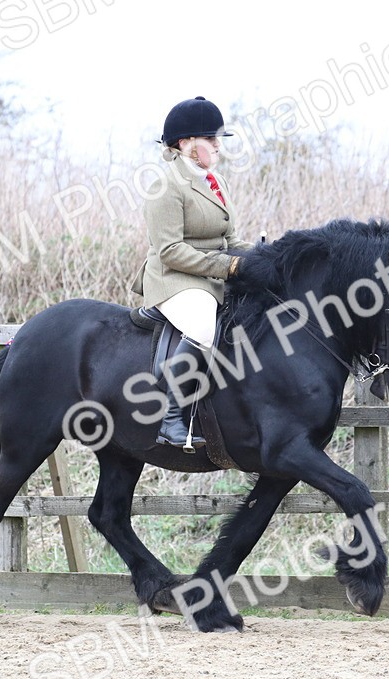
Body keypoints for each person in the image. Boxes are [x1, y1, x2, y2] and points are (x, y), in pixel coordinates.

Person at [131, 97, 256, 448]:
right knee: (203, 322)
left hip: (211, 275)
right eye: (211, 138)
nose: (218, 145)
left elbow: (230, 238)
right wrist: (227, 266)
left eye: (218, 138)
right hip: (175, 279)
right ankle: (170, 417)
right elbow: (170, 251)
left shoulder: (216, 182)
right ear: (185, 144)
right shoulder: (165, 187)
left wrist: (266, 257)